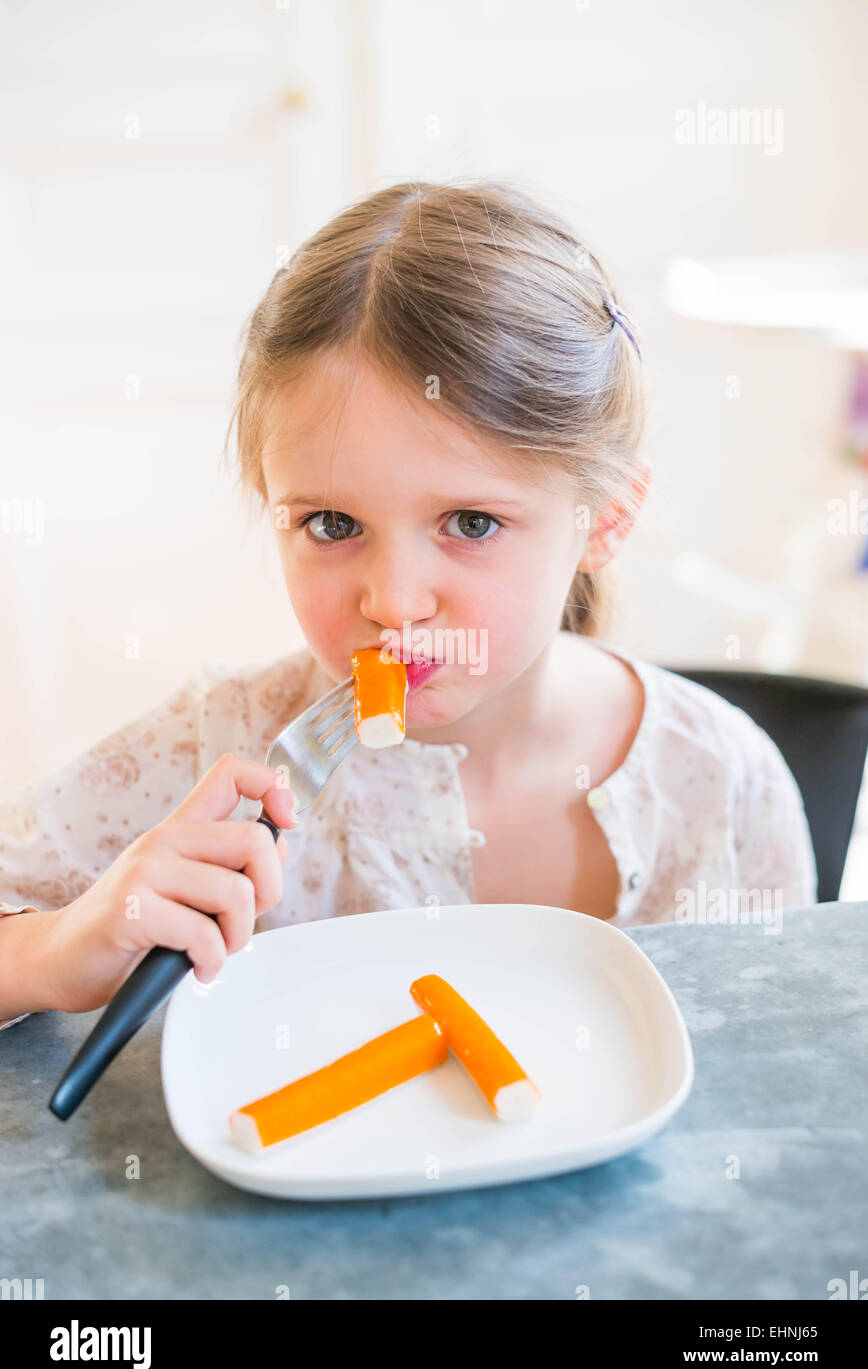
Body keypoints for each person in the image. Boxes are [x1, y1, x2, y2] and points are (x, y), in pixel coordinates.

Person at [0, 178, 817, 1031]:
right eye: (332, 522)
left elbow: (785, 1071)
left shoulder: (722, 784)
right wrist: (52, 955)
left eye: (470, 523)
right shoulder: (217, 753)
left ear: (603, 520)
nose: (393, 603)